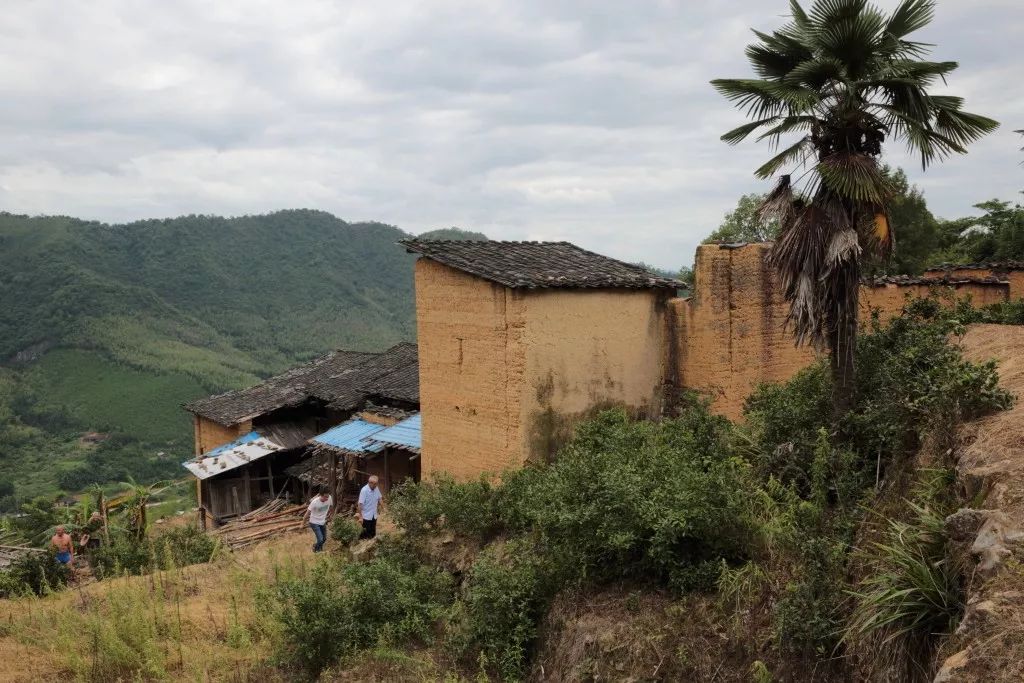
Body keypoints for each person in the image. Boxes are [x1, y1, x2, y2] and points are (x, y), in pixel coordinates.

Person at [357, 475, 383, 540]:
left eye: (377, 484)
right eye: (375, 484)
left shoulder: (376, 488)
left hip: (374, 515)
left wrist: (383, 507)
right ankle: (360, 545)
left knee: (373, 533)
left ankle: (371, 546)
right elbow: (360, 504)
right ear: (370, 483)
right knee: (366, 534)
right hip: (366, 516)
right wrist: (360, 517)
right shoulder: (364, 490)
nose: (376, 485)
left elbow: (380, 498)